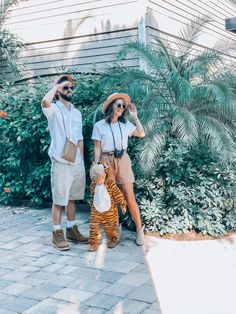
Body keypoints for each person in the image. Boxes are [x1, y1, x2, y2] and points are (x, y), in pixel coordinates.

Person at [41, 74, 89, 251]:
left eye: (71, 88)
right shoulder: (53, 109)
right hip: (60, 160)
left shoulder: (77, 113)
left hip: (76, 161)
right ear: (58, 91)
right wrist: (57, 86)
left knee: (72, 199)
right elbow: (44, 102)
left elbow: (80, 139)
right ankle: (57, 233)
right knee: (59, 199)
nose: (69, 90)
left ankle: (71, 229)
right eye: (65, 88)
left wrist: (81, 162)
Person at [91, 93, 145, 245]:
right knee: (111, 198)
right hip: (106, 161)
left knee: (129, 197)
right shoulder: (99, 126)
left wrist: (135, 117)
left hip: (123, 160)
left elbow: (141, 133)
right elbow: (97, 148)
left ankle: (139, 230)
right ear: (111, 107)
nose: (121, 108)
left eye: (123, 106)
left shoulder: (125, 125)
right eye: (118, 105)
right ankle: (115, 230)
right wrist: (96, 166)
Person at [89, 162, 127, 251]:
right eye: (96, 180)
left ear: (104, 175)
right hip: (96, 209)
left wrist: (122, 204)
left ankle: (113, 239)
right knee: (93, 226)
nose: (99, 182)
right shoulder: (93, 185)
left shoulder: (110, 183)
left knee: (111, 226)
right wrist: (91, 205)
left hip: (109, 209)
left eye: (100, 179)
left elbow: (118, 194)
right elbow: (92, 196)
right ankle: (93, 242)